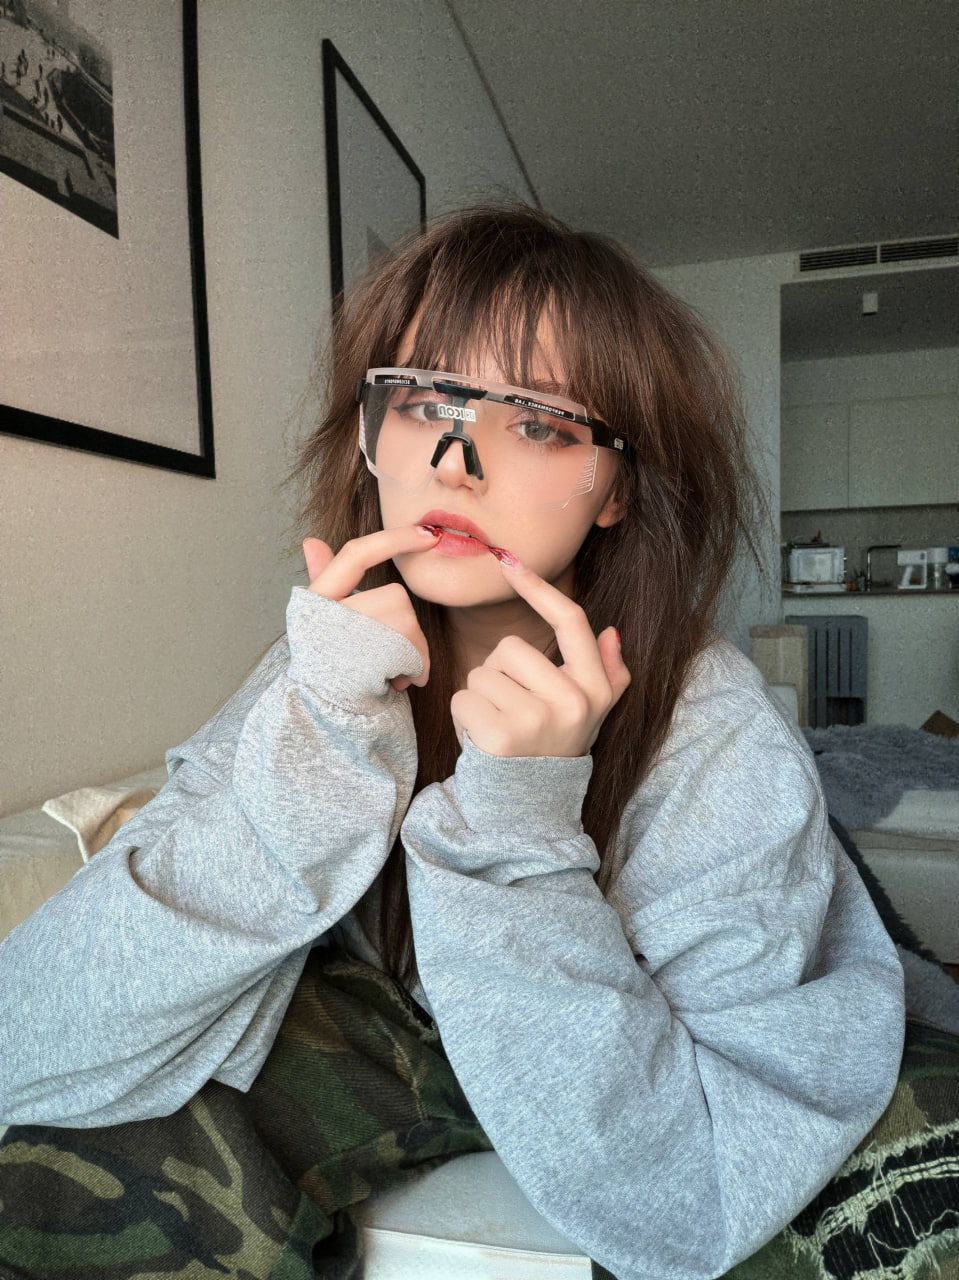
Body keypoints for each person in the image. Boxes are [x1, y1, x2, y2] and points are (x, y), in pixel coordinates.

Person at [0, 201, 905, 1278]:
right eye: (425, 400)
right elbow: (32, 1040)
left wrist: (521, 822)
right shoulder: (325, 665)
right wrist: (321, 743)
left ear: (615, 492)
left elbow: (690, 1195)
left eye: (538, 423)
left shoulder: (711, 731)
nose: (454, 462)